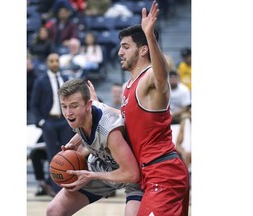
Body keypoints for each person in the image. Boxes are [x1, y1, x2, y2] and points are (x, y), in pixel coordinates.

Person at [116, 1, 189, 215]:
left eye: (126, 47)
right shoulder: (128, 86)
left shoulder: (149, 78)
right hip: (151, 173)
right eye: (120, 46)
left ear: (143, 50)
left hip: (163, 173)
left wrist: (149, 34)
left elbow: (161, 75)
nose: (120, 52)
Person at [46, 79, 143, 216]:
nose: (68, 113)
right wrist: (73, 144)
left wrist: (91, 176)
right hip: (102, 166)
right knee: (54, 211)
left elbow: (132, 174)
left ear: (88, 105)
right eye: (64, 106)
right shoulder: (81, 116)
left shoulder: (109, 131)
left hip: (132, 177)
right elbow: (89, 126)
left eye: (73, 106)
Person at [30, 52, 76, 194]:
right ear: (47, 63)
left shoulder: (66, 79)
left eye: (56, 60)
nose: (55, 63)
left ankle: (70, 187)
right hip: (49, 122)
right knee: (52, 156)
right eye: (52, 61)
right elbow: (34, 104)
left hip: (65, 122)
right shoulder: (40, 81)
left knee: (68, 155)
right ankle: (57, 191)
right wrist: (42, 121)